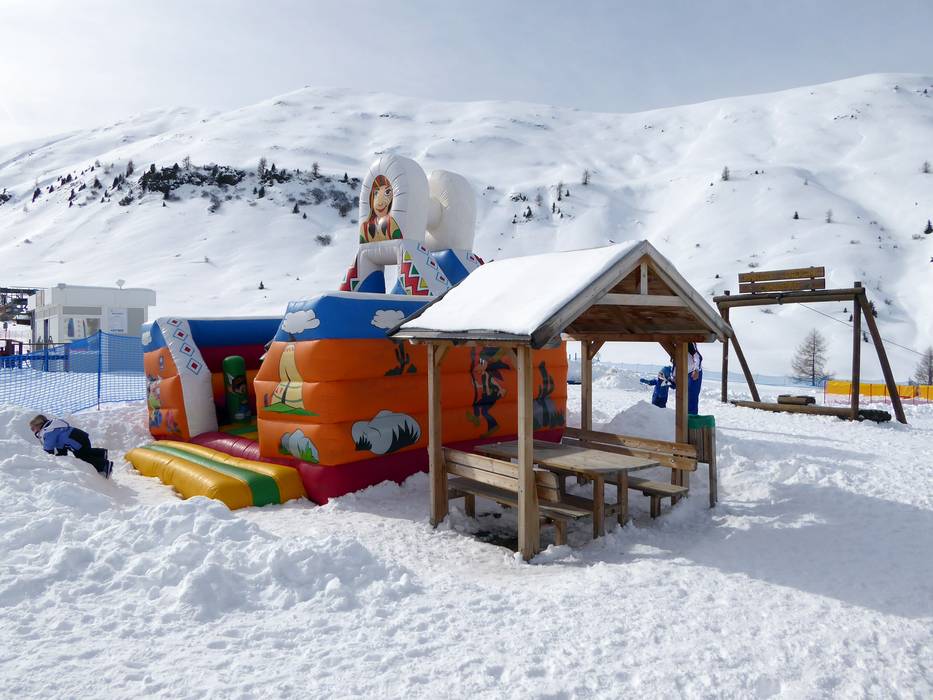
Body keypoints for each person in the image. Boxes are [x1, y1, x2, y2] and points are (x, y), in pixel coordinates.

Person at [29, 415, 112, 478]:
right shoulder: (53, 426)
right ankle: (102, 453)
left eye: (33, 429)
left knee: (83, 457)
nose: (33, 431)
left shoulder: (48, 432)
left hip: (76, 441)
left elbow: (48, 448)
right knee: (86, 451)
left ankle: (105, 465)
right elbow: (60, 443)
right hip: (79, 436)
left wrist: (47, 458)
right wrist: (61, 455)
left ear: (38, 425)